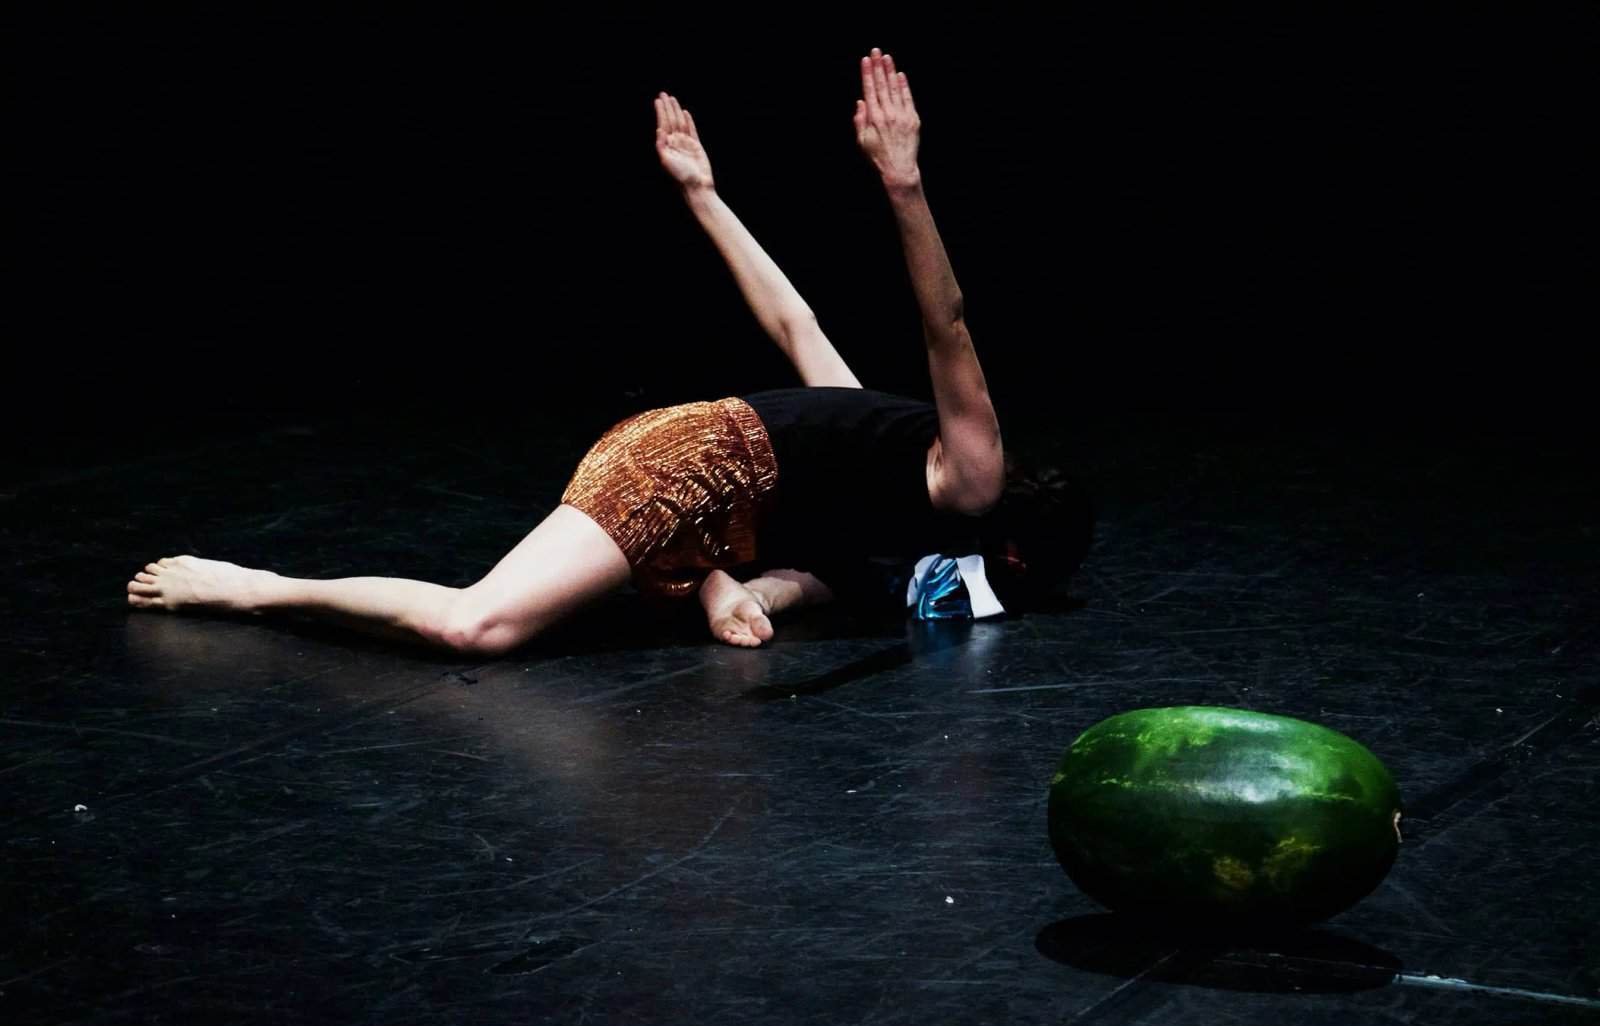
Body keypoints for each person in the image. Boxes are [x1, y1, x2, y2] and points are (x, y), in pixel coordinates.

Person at [127, 48, 1091, 653]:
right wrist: (903, 185)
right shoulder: (967, 476)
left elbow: (795, 326)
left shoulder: (883, 460)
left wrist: (704, 198)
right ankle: (256, 590)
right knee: (477, 626)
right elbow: (947, 324)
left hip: (712, 494)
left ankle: (701, 581)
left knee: (752, 579)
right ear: (1008, 545)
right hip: (684, 466)